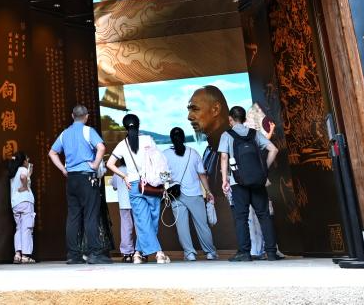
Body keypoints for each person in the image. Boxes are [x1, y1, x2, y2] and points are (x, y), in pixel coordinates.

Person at [48, 104, 112, 265]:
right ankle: (95, 253)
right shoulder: (88, 131)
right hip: (86, 177)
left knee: (73, 217)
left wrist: (63, 169)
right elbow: (101, 147)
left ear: (72, 116)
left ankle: (73, 255)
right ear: (86, 117)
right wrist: (95, 164)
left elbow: (52, 152)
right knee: (90, 215)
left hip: (71, 179)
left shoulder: (64, 134)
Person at [218, 105, 281, 262]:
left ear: (230, 119)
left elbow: (224, 157)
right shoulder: (255, 133)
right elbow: (274, 150)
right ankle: (271, 252)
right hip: (258, 181)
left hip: (237, 182)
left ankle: (244, 253)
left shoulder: (226, 135)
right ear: (245, 119)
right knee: (264, 216)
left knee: (241, 218)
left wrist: (224, 179)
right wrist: (263, 169)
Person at [106, 113, 170, 264]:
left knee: (142, 221)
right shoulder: (148, 140)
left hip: (134, 185)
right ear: (138, 124)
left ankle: (137, 253)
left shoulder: (122, 144)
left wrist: (124, 176)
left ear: (125, 127)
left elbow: (109, 164)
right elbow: (160, 162)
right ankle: (159, 253)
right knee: (151, 220)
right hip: (151, 184)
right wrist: (165, 183)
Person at [164, 127, 217, 261]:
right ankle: (210, 252)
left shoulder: (165, 154)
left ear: (171, 139)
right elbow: (202, 175)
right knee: (202, 225)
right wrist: (208, 191)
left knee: (181, 226)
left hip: (175, 195)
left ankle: (189, 253)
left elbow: (163, 176)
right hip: (194, 194)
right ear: (183, 138)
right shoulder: (193, 153)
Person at [187, 85, 229, 178]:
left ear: (216, 109)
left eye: (195, 109)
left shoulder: (234, 146)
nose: (189, 117)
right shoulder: (209, 150)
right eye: (189, 110)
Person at [8, 151, 36, 264]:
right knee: (27, 228)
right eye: (27, 159)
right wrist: (24, 186)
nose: (28, 161)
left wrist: (29, 173)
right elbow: (23, 176)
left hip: (15, 203)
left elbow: (26, 176)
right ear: (23, 161)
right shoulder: (22, 169)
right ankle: (25, 255)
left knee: (19, 228)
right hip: (26, 202)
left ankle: (17, 254)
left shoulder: (13, 172)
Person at [110, 162, 136, 262]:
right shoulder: (136, 167)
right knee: (140, 227)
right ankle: (140, 252)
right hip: (137, 202)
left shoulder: (117, 170)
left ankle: (127, 253)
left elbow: (114, 186)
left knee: (126, 228)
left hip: (124, 203)